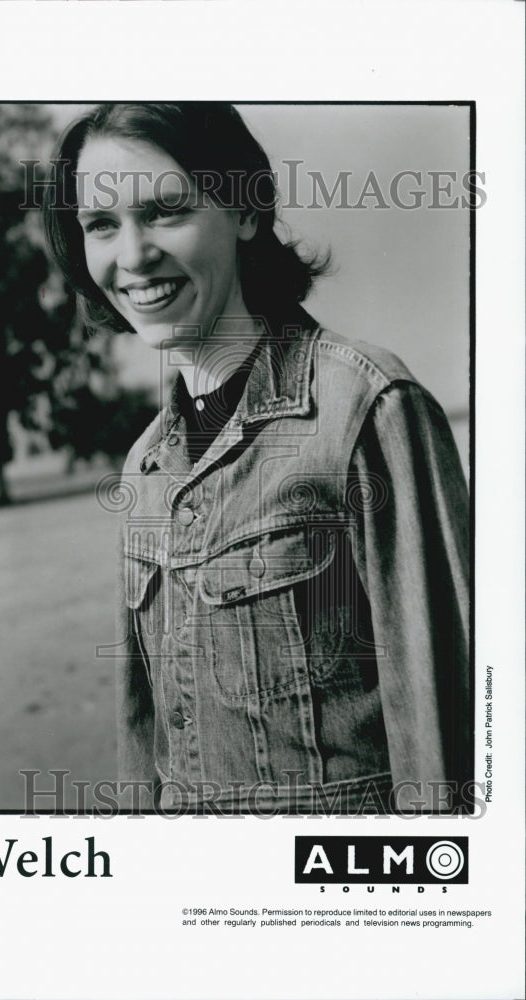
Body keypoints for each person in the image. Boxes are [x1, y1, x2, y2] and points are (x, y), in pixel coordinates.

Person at [43, 103, 470, 815]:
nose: (132, 255)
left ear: (244, 210)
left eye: (166, 211)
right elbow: (142, 745)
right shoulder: (145, 467)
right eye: (101, 225)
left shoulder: (364, 407)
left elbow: (444, 733)